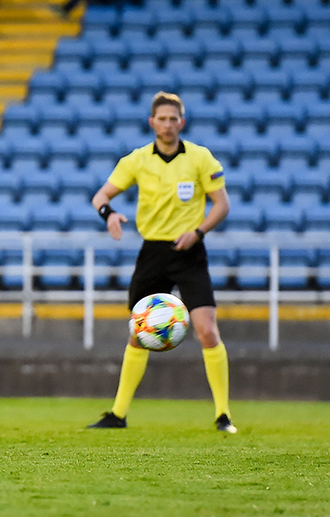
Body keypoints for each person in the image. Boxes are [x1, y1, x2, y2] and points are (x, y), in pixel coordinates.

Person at [89, 92, 236, 434]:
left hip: (189, 253)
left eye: (174, 119)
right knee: (137, 333)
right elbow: (101, 196)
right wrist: (108, 215)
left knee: (207, 330)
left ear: (181, 122)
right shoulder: (137, 160)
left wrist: (197, 232)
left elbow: (222, 205)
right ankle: (118, 413)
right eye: (162, 118)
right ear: (151, 122)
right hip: (152, 252)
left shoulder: (200, 158)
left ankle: (223, 415)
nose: (168, 124)